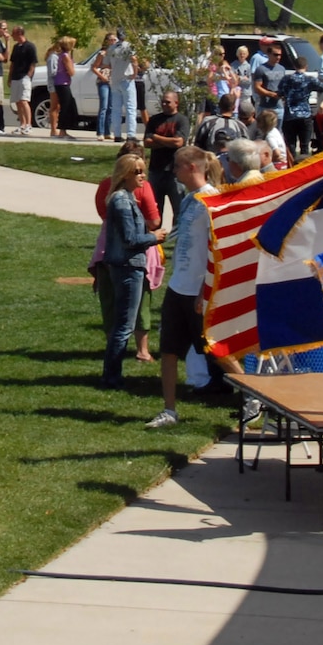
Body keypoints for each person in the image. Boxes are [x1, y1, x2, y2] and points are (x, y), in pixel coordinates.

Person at [146, 146, 215, 429]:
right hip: (178, 286)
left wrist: (205, 290)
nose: (173, 171)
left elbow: (216, 250)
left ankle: (253, 398)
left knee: (215, 351)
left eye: (177, 166)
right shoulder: (188, 201)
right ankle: (169, 410)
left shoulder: (212, 200)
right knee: (169, 350)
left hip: (198, 289)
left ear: (192, 168)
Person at [99, 154, 167, 389]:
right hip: (128, 266)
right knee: (124, 325)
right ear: (125, 174)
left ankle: (110, 374)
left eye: (143, 170)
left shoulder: (126, 198)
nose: (142, 175)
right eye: (137, 171)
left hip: (127, 266)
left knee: (123, 323)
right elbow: (130, 239)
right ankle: (112, 377)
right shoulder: (121, 201)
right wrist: (154, 237)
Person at [144, 91, 188, 222]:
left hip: (175, 172)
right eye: (162, 101)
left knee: (179, 209)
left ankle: (178, 238)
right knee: (155, 210)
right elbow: (147, 143)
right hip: (155, 171)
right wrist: (169, 141)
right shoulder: (154, 120)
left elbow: (179, 142)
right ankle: (156, 239)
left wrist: (156, 137)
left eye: (167, 102)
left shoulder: (182, 120)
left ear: (176, 103)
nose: (164, 104)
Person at [7, 26, 38, 135]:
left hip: (24, 77)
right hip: (15, 77)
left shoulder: (30, 46)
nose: (12, 35)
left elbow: (33, 63)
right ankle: (22, 124)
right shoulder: (16, 47)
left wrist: (28, 76)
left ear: (19, 33)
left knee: (24, 101)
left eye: (14, 33)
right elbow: (13, 63)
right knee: (18, 102)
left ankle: (29, 125)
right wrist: (10, 77)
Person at [49, 36, 77, 138]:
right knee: (66, 106)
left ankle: (63, 130)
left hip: (61, 83)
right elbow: (72, 72)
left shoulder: (62, 55)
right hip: (62, 83)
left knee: (67, 105)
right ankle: (62, 131)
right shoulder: (65, 56)